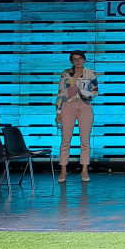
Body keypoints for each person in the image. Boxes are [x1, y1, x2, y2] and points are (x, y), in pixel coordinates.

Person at [55, 50, 98, 182]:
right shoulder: (67, 73)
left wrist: (88, 94)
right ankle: (63, 171)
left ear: (84, 59)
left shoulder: (90, 73)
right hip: (68, 106)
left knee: (85, 141)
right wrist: (58, 112)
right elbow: (61, 92)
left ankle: (84, 170)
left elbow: (96, 91)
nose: (77, 61)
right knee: (65, 140)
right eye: (74, 59)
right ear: (71, 61)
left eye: (80, 59)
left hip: (85, 106)